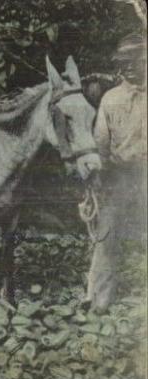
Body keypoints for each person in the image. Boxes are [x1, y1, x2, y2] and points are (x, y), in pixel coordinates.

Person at [86, 33, 147, 312]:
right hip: (121, 175)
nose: (130, 67)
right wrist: (101, 179)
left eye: (135, 60)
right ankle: (100, 298)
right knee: (107, 235)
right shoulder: (110, 99)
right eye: (124, 62)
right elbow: (100, 143)